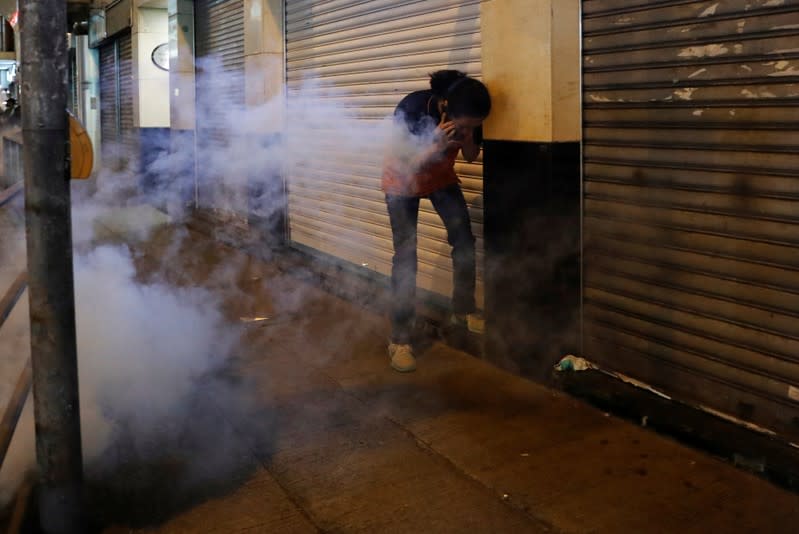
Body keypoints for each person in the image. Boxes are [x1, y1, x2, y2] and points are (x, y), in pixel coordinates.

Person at [381, 70, 491, 373]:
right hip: (401, 183)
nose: (468, 128)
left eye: (474, 125)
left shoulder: (469, 115)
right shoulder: (412, 109)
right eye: (465, 124)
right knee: (406, 257)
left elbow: (469, 157)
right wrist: (435, 144)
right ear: (445, 106)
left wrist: (468, 136)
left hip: (441, 179)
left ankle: (463, 310)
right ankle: (399, 339)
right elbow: (406, 167)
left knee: (465, 240)